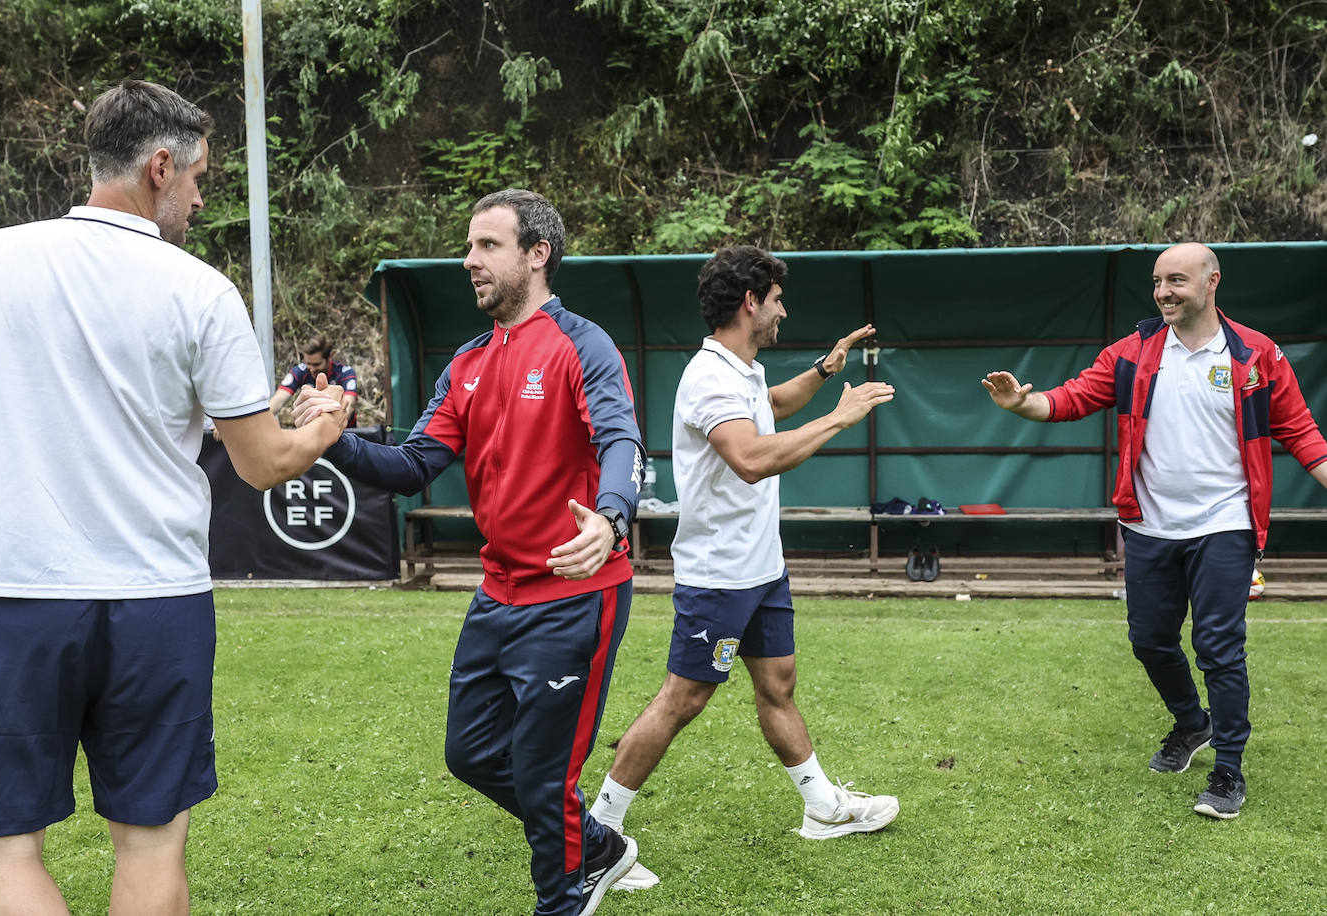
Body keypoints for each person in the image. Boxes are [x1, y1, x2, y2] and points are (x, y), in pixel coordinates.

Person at [0, 80, 348, 914]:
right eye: (199, 176)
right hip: (157, 603)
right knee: (152, 841)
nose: (201, 197)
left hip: (14, 594)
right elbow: (263, 464)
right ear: (158, 167)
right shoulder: (200, 289)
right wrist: (324, 424)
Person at [294, 189, 644, 916]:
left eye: (487, 246)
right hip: (498, 594)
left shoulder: (584, 344)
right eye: (469, 246)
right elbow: (415, 464)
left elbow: (621, 441)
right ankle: (600, 848)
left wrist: (611, 518)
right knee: (471, 753)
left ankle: (567, 893)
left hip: (575, 594)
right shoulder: (470, 361)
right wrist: (336, 441)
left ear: (537, 254)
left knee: (547, 778)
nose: (470, 260)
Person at [587, 245, 900, 891]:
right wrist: (840, 416)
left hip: (762, 569)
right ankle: (598, 833)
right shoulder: (709, 377)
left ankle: (822, 809)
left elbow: (772, 408)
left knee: (778, 684)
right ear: (750, 302)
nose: (784, 309)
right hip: (720, 575)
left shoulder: (744, 370)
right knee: (684, 698)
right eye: (778, 299)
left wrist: (822, 370)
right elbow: (751, 457)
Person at [982, 242, 1327, 819]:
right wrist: (1022, 403)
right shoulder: (1133, 351)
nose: (1164, 292)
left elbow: (1301, 433)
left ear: (1211, 282)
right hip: (1148, 525)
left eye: (1177, 281)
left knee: (1219, 648)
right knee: (1149, 640)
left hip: (1226, 524)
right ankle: (1193, 724)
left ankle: (1228, 772)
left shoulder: (1256, 355)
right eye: (1157, 282)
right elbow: (1071, 398)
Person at [270, 334, 359, 426]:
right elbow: (278, 401)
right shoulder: (300, 371)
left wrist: (332, 427)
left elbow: (350, 406)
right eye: (308, 363)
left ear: (329, 357)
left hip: (345, 430)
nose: (311, 369)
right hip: (314, 431)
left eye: (316, 364)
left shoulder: (345, 373)